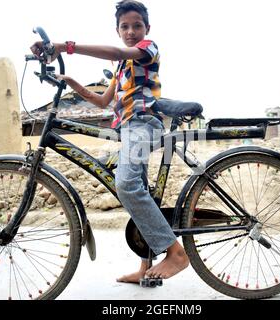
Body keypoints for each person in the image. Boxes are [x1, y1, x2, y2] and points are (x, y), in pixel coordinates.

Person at [30, 0, 189, 283]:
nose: (131, 31)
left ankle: (175, 253)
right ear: (117, 29)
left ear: (146, 29)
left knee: (126, 184)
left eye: (136, 26)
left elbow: (117, 51)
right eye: (125, 27)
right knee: (139, 191)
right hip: (128, 128)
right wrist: (72, 82)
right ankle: (145, 268)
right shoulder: (119, 65)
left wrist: (66, 46)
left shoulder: (147, 49)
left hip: (144, 124)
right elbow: (103, 100)